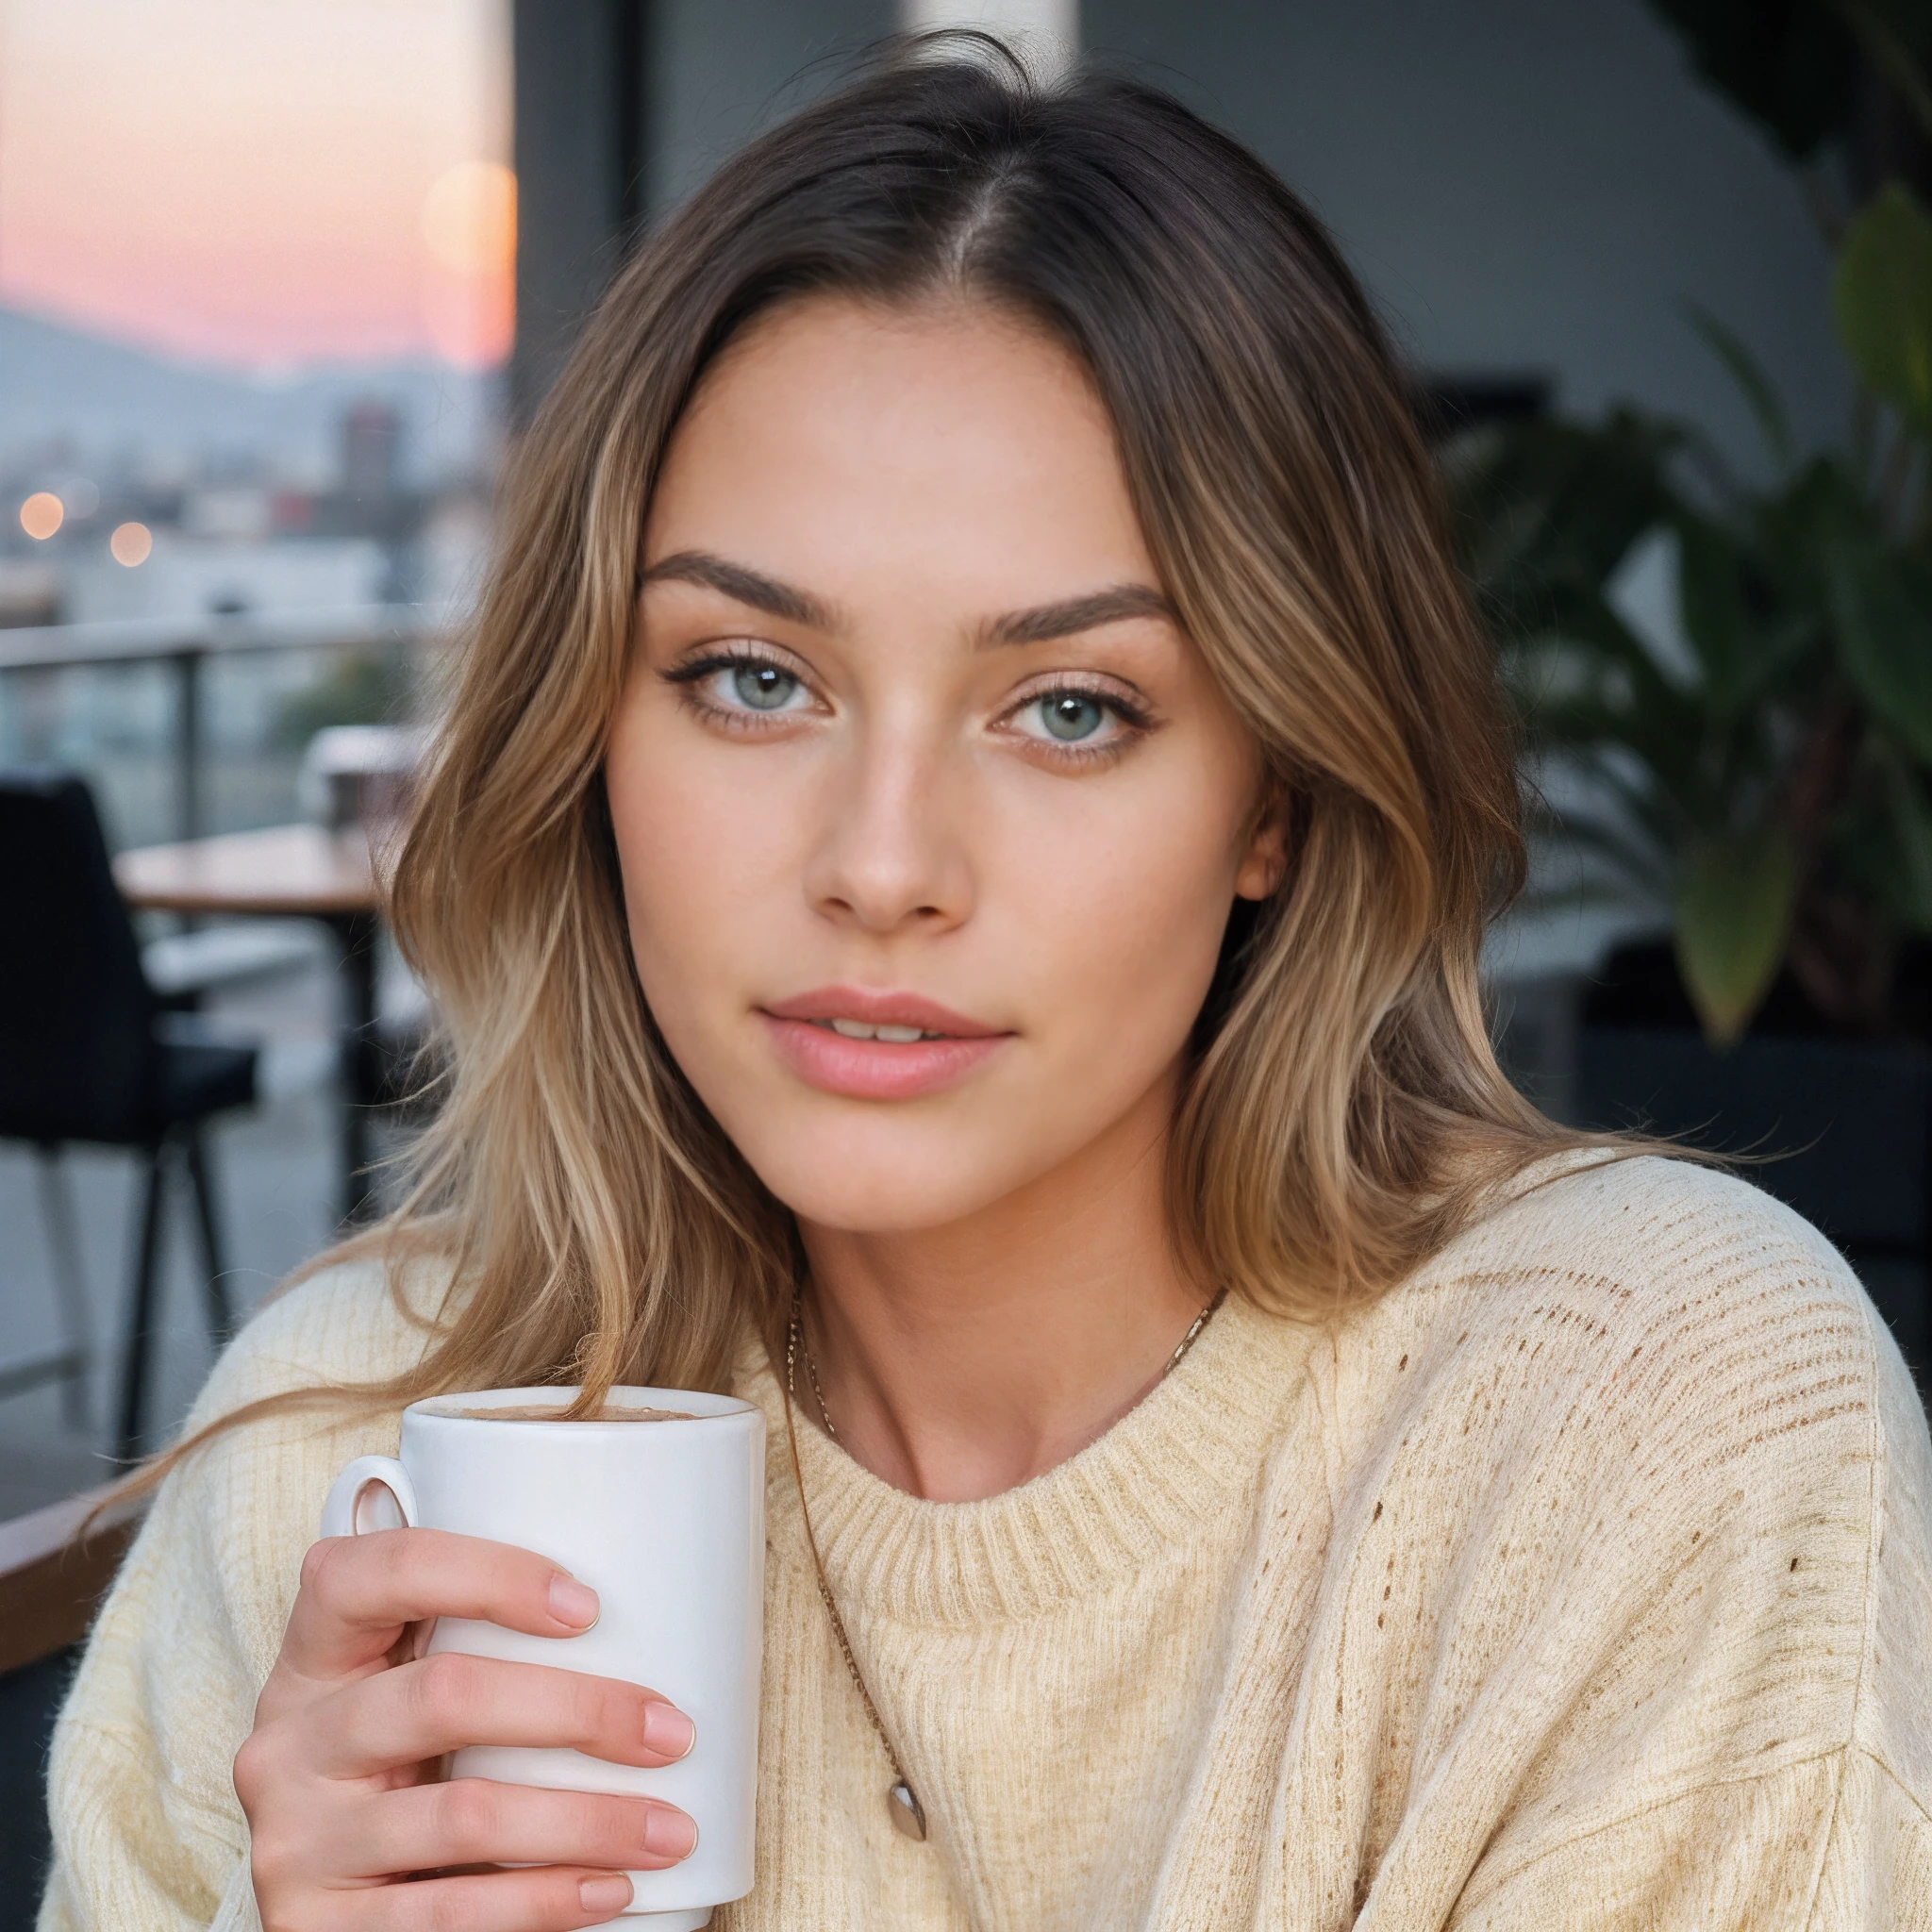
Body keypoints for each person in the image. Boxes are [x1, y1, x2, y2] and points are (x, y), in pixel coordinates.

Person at [39, 42, 1932, 1932]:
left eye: (1070, 709)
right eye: (751, 676)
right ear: (591, 736)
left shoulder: (1637, 1422)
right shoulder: (353, 1453)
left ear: (1273, 795)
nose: (880, 865)